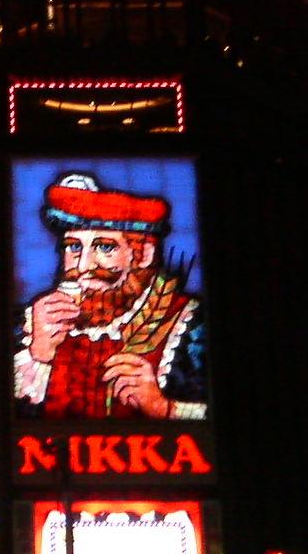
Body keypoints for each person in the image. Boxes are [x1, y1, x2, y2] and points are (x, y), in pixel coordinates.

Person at [14, 173, 206, 419]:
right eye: (74, 247)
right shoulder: (33, 323)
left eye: (105, 247)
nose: (83, 265)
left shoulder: (191, 326)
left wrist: (163, 407)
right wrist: (37, 355)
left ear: (143, 254)